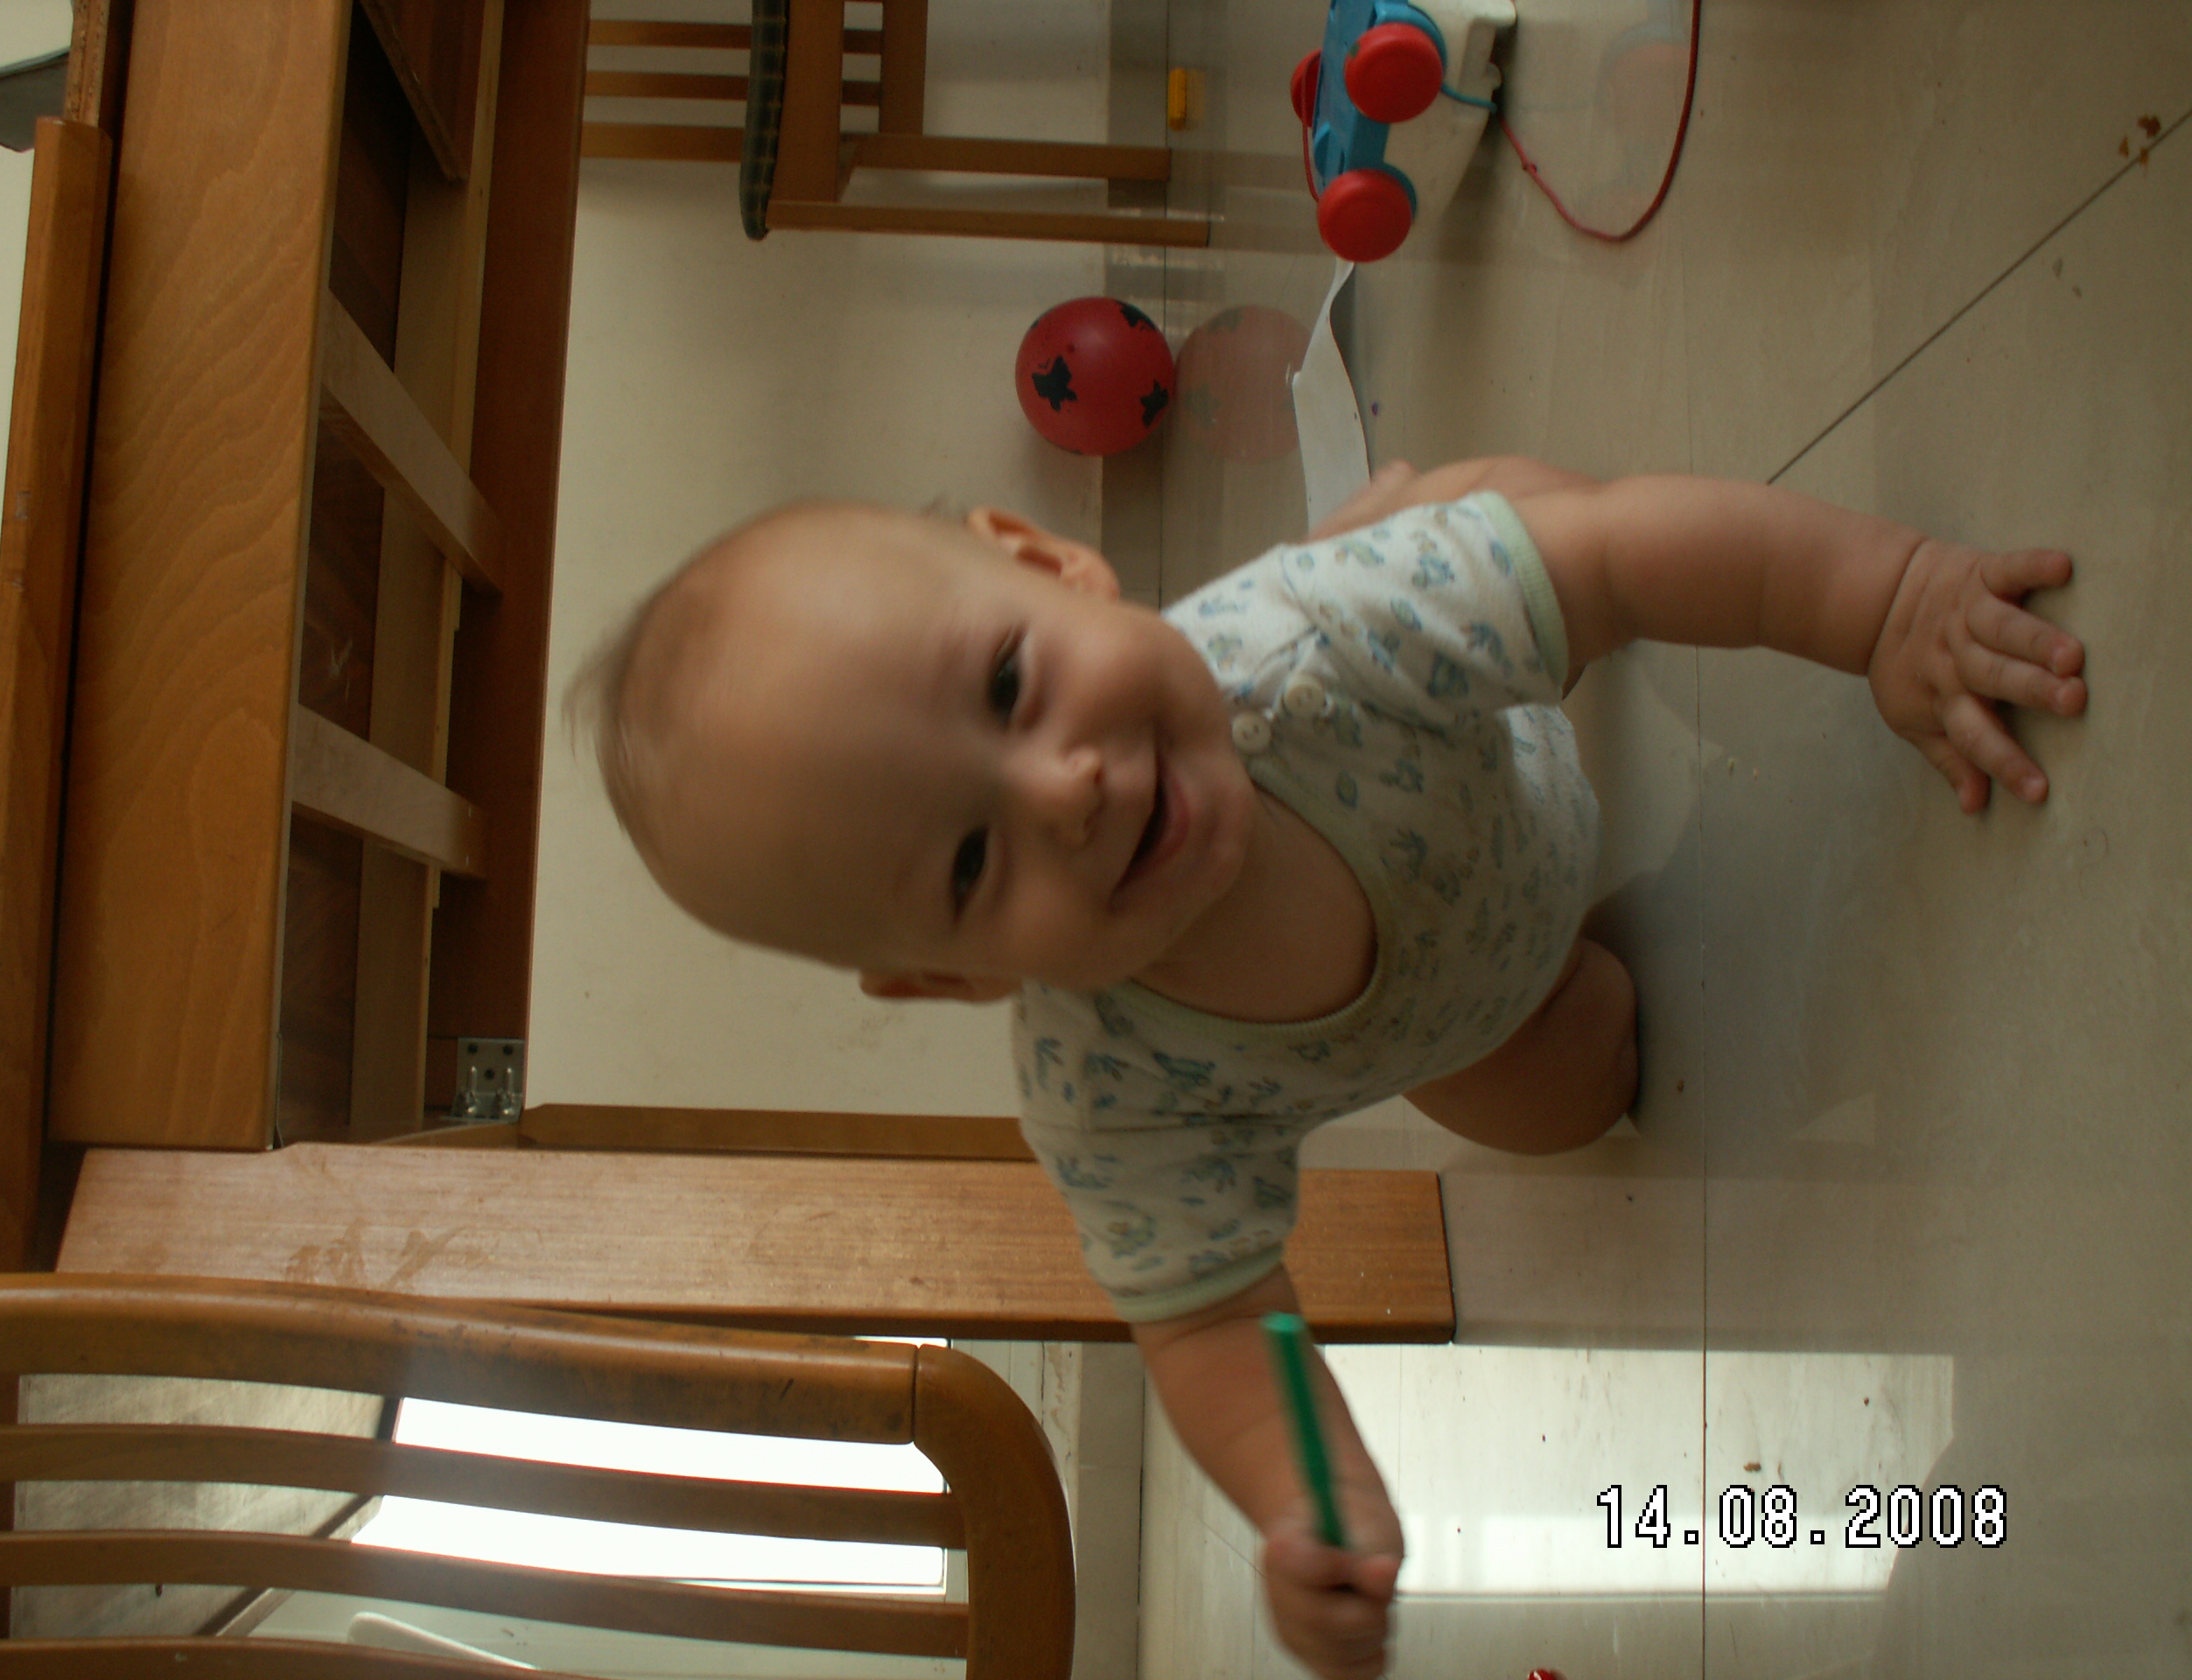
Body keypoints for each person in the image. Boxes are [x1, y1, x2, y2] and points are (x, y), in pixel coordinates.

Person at [567, 455, 2087, 1680]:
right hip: (1471, 1015)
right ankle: (1428, 541)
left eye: (1013, 686)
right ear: (955, 977)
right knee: (1589, 1083)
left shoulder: (1326, 643)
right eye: (972, 861)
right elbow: (1215, 1315)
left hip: (1495, 731)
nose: (1065, 792)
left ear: (1048, 565)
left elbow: (1631, 565)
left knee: (1573, 537)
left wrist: (1889, 603)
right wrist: (1311, 1493)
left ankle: (1429, 510)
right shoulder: (1107, 1092)